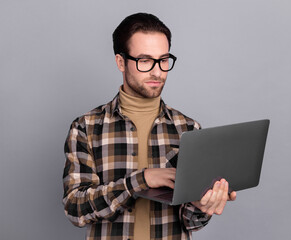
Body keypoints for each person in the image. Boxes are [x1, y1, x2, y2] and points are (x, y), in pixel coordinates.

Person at [62, 12, 236, 240]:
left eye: (163, 60)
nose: (157, 71)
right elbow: (75, 209)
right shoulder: (86, 127)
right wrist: (140, 180)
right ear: (121, 62)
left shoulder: (189, 129)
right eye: (145, 60)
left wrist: (202, 205)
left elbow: (190, 222)